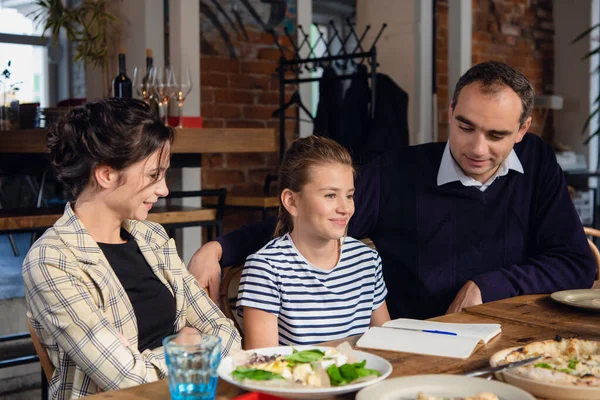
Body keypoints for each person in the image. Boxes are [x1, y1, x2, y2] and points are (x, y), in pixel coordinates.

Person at [189, 61, 597, 320]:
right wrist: (220, 248)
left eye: (496, 135)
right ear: (450, 111)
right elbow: (312, 219)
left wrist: (488, 285)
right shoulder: (397, 171)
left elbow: (575, 263)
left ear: (523, 130)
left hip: (514, 333)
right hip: (417, 345)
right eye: (465, 126)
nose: (477, 147)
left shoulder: (538, 163)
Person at [22, 98, 241, 399]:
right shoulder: (52, 260)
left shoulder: (153, 237)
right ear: (107, 174)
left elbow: (225, 334)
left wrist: (184, 350)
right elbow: (128, 379)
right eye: (153, 175)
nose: (164, 189)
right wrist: (184, 347)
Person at [237, 136, 390, 349]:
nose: (345, 208)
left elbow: (388, 348)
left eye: (349, 195)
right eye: (330, 195)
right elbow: (262, 369)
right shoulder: (265, 269)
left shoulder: (367, 259)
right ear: (292, 201)